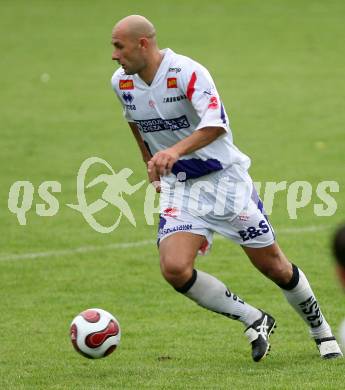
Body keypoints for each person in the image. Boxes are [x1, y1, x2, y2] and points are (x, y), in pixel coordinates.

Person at [110, 14, 342, 361]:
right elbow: (135, 122)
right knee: (174, 268)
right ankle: (254, 319)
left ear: (143, 44)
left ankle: (321, 330)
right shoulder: (121, 83)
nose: (114, 55)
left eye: (119, 46)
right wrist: (150, 161)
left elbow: (216, 125)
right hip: (182, 188)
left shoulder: (186, 73)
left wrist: (172, 151)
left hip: (225, 184)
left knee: (274, 266)